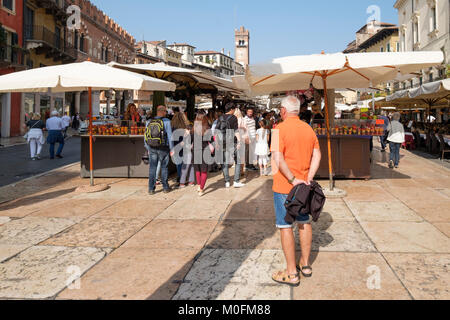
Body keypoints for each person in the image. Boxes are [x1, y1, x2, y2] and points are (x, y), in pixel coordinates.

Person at [271, 96, 322, 287]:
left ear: (283, 111)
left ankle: (292, 273)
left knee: (285, 226)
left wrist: (292, 179)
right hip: (304, 187)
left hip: (285, 186)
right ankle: (305, 265)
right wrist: (309, 177)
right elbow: (317, 154)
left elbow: (278, 157)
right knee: (304, 222)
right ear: (298, 111)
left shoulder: (278, 129)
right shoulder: (308, 128)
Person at [215, 102, 245, 188]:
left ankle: (227, 182)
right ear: (231, 109)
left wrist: (217, 142)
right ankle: (236, 181)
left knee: (224, 162)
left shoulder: (220, 117)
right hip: (232, 142)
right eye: (234, 109)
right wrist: (239, 141)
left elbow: (216, 131)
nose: (235, 111)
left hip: (222, 142)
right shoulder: (233, 118)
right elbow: (236, 131)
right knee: (238, 161)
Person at [147, 105, 174, 195]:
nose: (166, 113)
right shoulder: (166, 121)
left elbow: (145, 136)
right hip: (163, 147)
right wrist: (172, 149)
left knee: (152, 168)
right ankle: (165, 187)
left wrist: (147, 147)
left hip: (152, 147)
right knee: (164, 167)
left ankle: (151, 189)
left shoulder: (149, 121)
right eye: (165, 111)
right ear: (162, 111)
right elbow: (170, 136)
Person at [192, 111, 214, 196]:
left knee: (197, 170)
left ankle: (199, 186)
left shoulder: (193, 128)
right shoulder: (207, 129)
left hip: (195, 150)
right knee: (204, 171)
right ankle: (201, 189)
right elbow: (211, 140)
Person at [171, 111, 191, 187]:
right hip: (185, 146)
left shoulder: (173, 127)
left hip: (177, 147)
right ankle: (184, 178)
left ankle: (181, 180)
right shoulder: (186, 126)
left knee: (178, 164)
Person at [234, 108, 249, 176]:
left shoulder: (235, 120)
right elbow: (246, 130)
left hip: (237, 139)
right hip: (242, 138)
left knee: (238, 155)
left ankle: (240, 169)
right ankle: (241, 169)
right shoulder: (243, 120)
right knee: (241, 155)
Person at [244, 107, 258, 171]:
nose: (250, 113)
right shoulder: (245, 119)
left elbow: (254, 127)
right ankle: (248, 165)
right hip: (248, 137)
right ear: (246, 112)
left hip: (253, 137)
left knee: (252, 151)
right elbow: (245, 129)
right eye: (249, 112)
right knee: (248, 151)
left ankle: (251, 164)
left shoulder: (253, 118)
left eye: (251, 112)